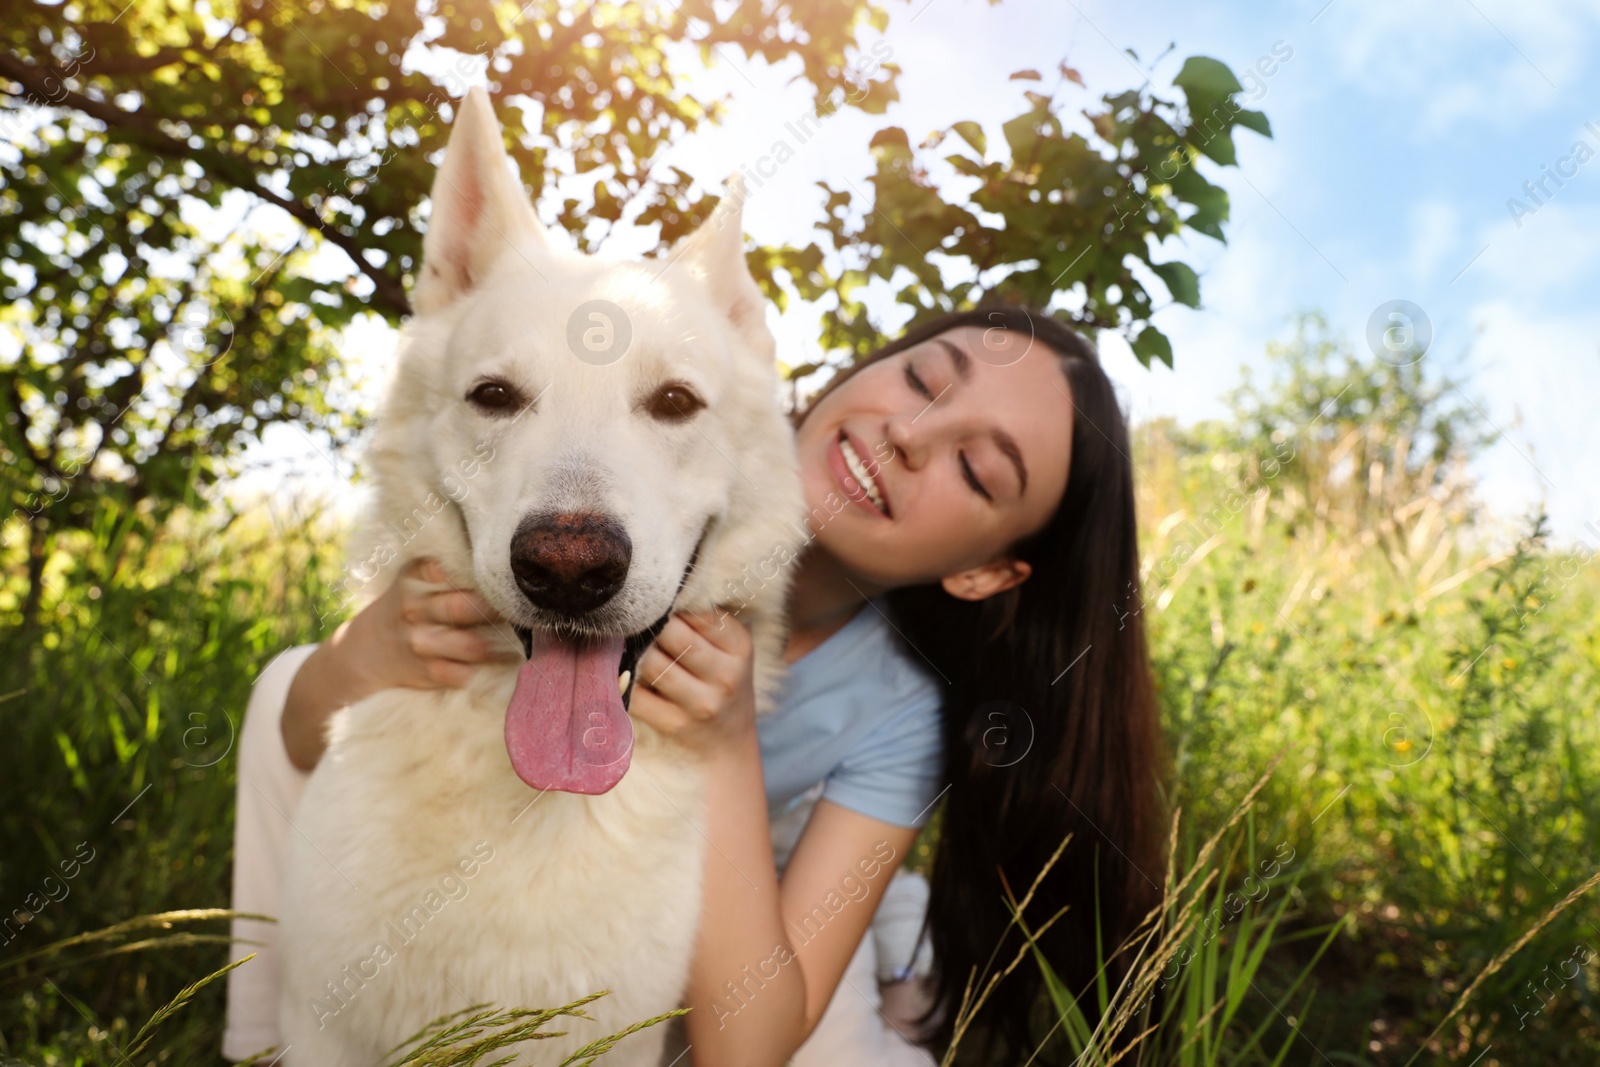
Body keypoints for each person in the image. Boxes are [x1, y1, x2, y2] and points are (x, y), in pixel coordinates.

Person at [223, 306, 1165, 1067]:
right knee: (285, 682)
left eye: (975, 465)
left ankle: (889, 951)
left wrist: (724, 740)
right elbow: (300, 738)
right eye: (921, 378)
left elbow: (747, 1045)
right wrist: (365, 653)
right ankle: (266, 1045)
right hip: (509, 870)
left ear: (986, 573)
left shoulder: (898, 709)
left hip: (741, 909)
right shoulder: (597, 484)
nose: (913, 435)